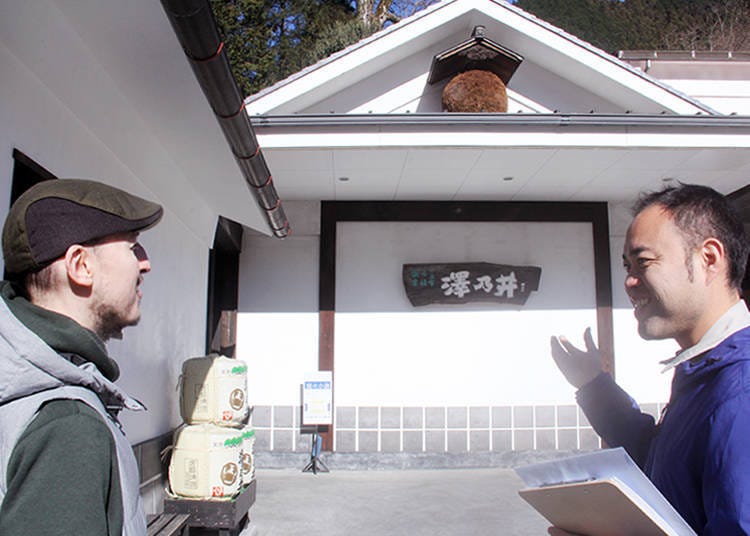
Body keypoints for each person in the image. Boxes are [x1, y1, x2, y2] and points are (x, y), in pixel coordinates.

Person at [550, 183, 750, 535]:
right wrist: (594, 386)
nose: (629, 281)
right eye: (627, 265)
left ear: (709, 259)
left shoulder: (740, 392)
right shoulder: (709, 370)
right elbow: (663, 460)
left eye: (643, 262)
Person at [0, 179, 163, 535]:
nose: (145, 264)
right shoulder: (67, 424)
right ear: (81, 266)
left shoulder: (25, 378)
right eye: (133, 248)